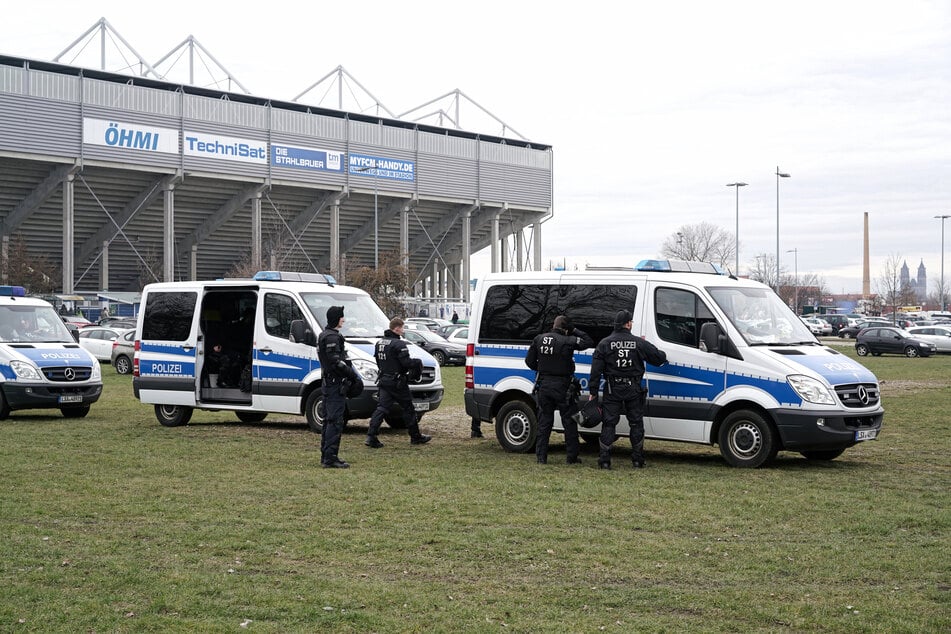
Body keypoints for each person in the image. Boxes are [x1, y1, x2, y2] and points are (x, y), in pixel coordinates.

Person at [588, 310, 667, 470]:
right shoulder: (639, 343)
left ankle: (605, 461)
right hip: (633, 389)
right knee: (636, 423)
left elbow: (595, 371)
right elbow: (659, 358)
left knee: (609, 424)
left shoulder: (604, 343)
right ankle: (637, 460)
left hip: (612, 388)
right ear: (628, 324)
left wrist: (593, 392)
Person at [524, 315, 594, 464]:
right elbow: (588, 341)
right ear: (566, 328)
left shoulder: (539, 339)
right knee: (569, 422)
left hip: (544, 384)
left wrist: (542, 369)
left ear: (553, 325)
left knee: (544, 422)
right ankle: (571, 457)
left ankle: (541, 457)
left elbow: (529, 361)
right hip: (563, 386)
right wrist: (574, 330)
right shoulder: (568, 340)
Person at [365, 317, 432, 448]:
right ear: (397, 328)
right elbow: (406, 363)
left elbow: (378, 362)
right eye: (402, 328)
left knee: (382, 408)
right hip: (397, 382)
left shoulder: (380, 343)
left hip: (384, 380)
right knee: (408, 408)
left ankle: (371, 436)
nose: (403, 330)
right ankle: (415, 436)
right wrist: (417, 363)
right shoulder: (399, 344)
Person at [317, 306, 357, 469]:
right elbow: (336, 362)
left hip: (328, 383)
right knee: (335, 421)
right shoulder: (332, 337)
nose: (344, 320)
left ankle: (326, 455)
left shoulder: (324, 334)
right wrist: (352, 375)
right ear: (336, 318)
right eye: (342, 317)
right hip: (334, 384)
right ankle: (330, 458)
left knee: (328, 420)